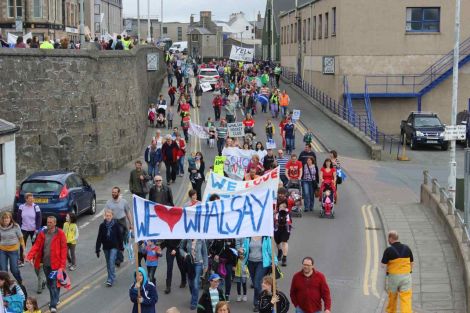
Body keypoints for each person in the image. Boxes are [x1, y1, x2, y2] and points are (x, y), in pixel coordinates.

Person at [26, 216, 67, 313]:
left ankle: (53, 305)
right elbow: (36, 246)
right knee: (50, 284)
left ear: (55, 223)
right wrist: (29, 256)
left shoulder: (60, 233)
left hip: (56, 265)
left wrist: (62, 265)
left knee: (53, 284)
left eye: (51, 222)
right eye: (48, 222)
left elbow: (64, 249)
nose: (48, 224)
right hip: (45, 264)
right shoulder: (42, 233)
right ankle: (56, 299)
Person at [237, 236, 275, 312]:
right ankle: (264, 298)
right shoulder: (248, 237)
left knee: (257, 283)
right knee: (255, 283)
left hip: (262, 263)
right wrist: (242, 250)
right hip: (250, 263)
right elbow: (245, 248)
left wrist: (275, 262)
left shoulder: (266, 237)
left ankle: (257, 303)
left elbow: (270, 251)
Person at [381, 231, 413, 313]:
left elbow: (383, 265)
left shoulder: (388, 250)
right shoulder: (407, 248)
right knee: (406, 298)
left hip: (393, 278)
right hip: (406, 276)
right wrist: (409, 271)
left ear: (391, 238)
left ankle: (391, 311)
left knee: (392, 297)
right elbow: (411, 262)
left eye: (388, 238)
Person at [104, 187, 133, 267]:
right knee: (115, 242)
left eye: (115, 192)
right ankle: (119, 259)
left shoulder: (124, 202)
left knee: (122, 242)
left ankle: (119, 257)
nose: (113, 193)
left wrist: (131, 224)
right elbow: (105, 214)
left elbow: (128, 213)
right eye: (112, 192)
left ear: (119, 193)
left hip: (122, 222)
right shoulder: (108, 203)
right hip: (113, 223)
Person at [95, 209, 124, 287]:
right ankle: (112, 275)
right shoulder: (102, 226)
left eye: (109, 216)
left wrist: (121, 247)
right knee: (108, 263)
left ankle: (110, 279)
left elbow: (120, 237)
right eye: (106, 216)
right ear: (105, 216)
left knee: (111, 261)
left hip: (114, 247)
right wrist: (97, 249)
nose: (108, 217)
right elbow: (99, 238)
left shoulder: (116, 225)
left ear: (112, 216)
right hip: (106, 247)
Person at [179, 236, 209, 310]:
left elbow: (205, 253)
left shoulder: (201, 239)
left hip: (199, 263)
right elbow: (180, 248)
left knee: (196, 282)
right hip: (189, 263)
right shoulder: (186, 238)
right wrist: (185, 254)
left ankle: (194, 303)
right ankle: (194, 296)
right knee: (190, 282)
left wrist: (206, 265)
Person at [16, 193, 41, 267]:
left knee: (35, 246)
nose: (31, 200)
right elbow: (19, 218)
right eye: (29, 199)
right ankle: (21, 260)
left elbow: (39, 218)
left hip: (33, 230)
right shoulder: (21, 207)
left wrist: (37, 229)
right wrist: (18, 228)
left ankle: (34, 260)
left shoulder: (36, 207)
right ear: (26, 199)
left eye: (32, 199)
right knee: (22, 245)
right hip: (24, 229)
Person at [0, 211, 25, 284]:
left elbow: (21, 238)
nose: (5, 220)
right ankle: (6, 284)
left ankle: (20, 281)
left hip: (13, 250)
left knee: (14, 269)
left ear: (10, 219)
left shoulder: (16, 226)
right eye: (4, 218)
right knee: (3, 270)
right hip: (2, 250)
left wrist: (24, 250)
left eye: (7, 218)